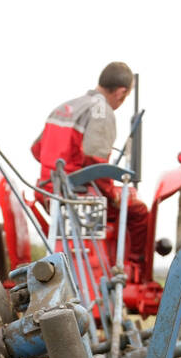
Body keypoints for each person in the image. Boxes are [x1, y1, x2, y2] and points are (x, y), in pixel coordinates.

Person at [31, 62, 149, 273]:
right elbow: (96, 162)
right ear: (122, 93)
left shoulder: (63, 108)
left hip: (47, 191)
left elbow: (36, 150)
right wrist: (111, 194)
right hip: (80, 195)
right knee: (139, 212)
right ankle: (132, 269)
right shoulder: (102, 110)